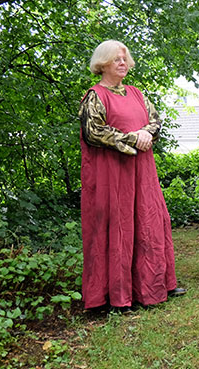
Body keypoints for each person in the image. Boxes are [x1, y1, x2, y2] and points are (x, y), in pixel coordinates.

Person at [79, 40, 185, 312]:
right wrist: (131, 138)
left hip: (142, 171)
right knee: (118, 227)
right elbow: (94, 132)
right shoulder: (95, 96)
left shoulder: (137, 93)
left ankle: (153, 286)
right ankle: (116, 296)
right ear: (102, 64)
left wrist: (147, 134)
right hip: (112, 175)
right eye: (117, 59)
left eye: (125, 59)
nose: (123, 63)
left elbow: (155, 120)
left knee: (149, 222)